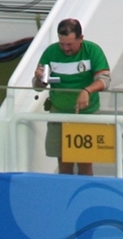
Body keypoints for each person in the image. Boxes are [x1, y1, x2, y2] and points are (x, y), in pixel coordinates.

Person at [31, 18, 110, 177]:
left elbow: (105, 80)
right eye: (62, 44)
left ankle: (85, 198)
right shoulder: (51, 52)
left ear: (81, 38)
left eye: (70, 44)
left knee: (84, 162)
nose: (65, 48)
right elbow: (38, 85)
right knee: (63, 162)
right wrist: (39, 79)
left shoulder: (92, 51)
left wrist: (87, 91)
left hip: (86, 114)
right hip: (59, 112)